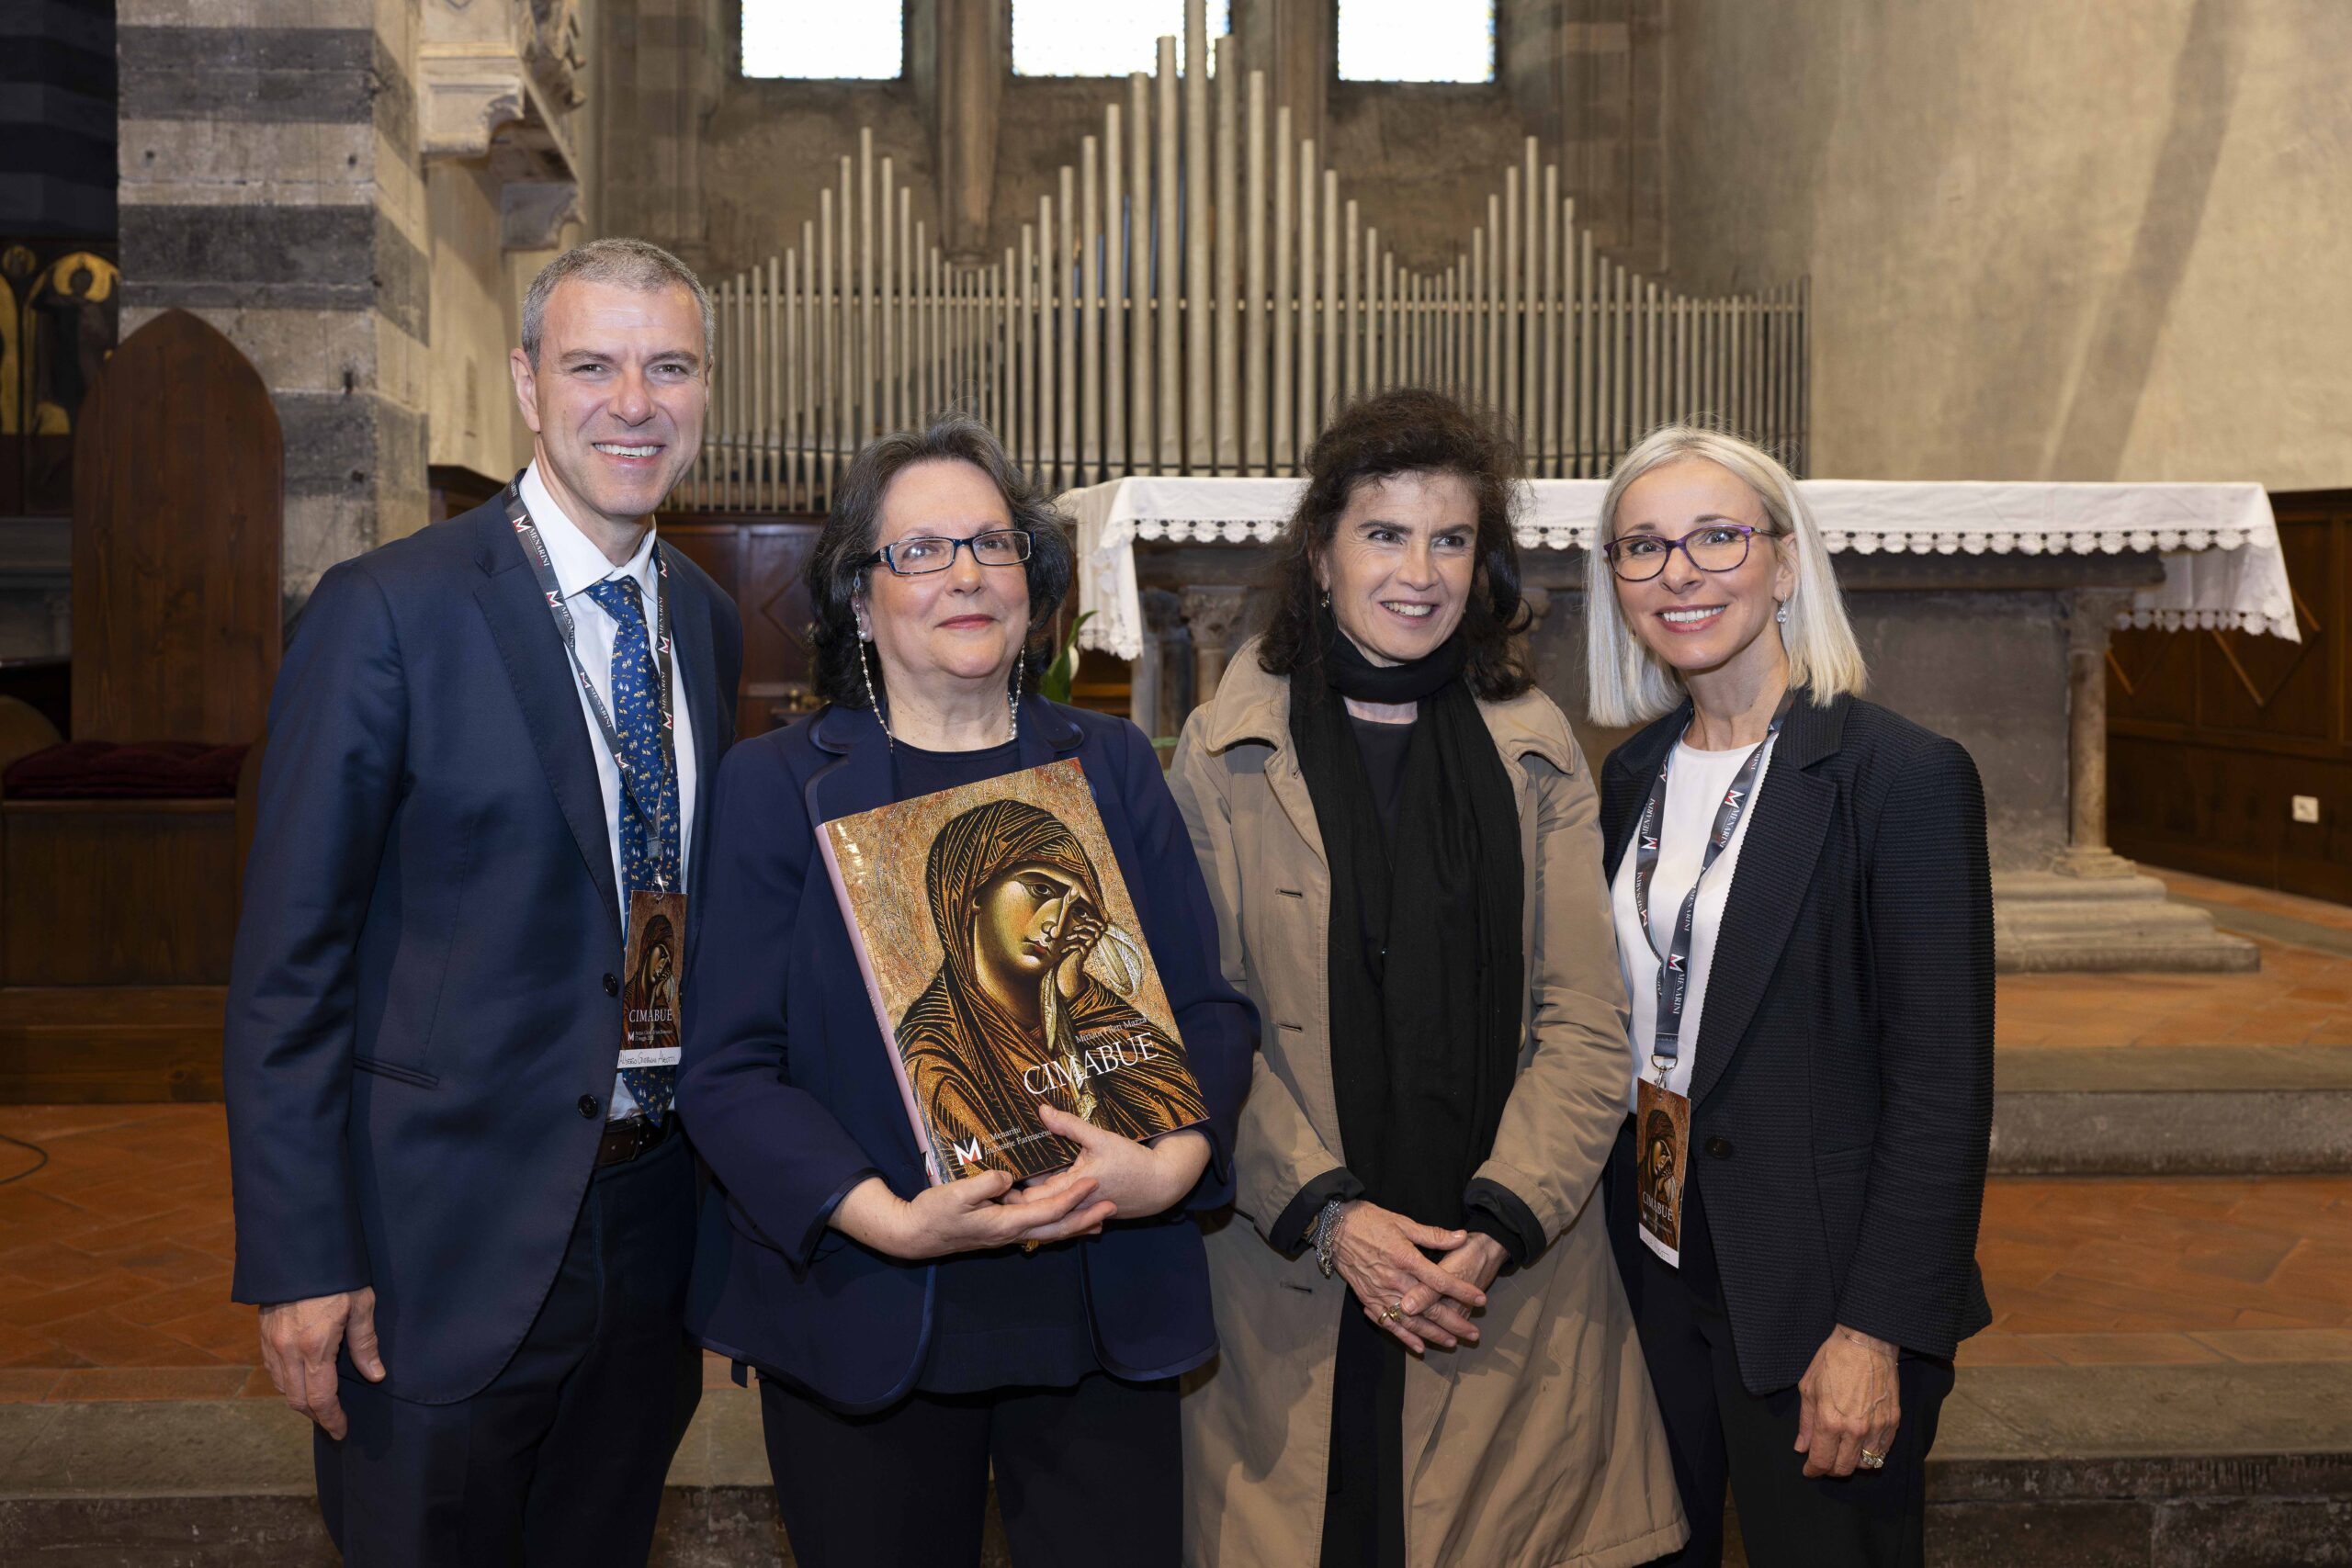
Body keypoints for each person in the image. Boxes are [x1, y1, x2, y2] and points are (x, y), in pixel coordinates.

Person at [223, 237, 743, 1565]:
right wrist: (299, 1255)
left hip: (650, 1224)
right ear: (526, 383)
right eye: (592, 364)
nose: (635, 400)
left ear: (703, 389)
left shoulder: (706, 614)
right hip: (438, 1243)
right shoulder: (386, 611)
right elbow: (292, 962)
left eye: (669, 365)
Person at [676, 414, 1254, 1568]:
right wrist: (884, 1218)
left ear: (1032, 580)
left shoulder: (1112, 765)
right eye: (921, 552)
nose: (966, 578)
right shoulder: (777, 784)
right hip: (866, 1305)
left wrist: (1171, 1166)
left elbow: (1207, 1009)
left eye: (992, 546)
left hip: (1100, 1292)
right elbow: (730, 1069)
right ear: (858, 592)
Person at [1172, 387, 1686, 1568]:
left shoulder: (1534, 741)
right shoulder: (1224, 748)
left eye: (1450, 538)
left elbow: (1584, 1018)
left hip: (1495, 1278)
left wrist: (1502, 1222)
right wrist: (1333, 1217)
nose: (1420, 571)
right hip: (1289, 1265)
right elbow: (1202, 1023)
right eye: (1384, 534)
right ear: (1319, 555)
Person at [1588, 424, 1994, 1567]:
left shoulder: (1898, 776)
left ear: (1782, 562)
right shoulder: (1631, 774)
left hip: (1822, 1286)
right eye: (1643, 547)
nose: (1680, 573)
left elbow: (1941, 1088)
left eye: (1716, 538)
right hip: (1656, 1257)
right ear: (1611, 581)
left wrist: (1875, 1332)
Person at [898, 797, 1208, 1159]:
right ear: (975, 889)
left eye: (1077, 910)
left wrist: (1076, 994)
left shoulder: (1073, 1005)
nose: (1057, 924)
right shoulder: (934, 1054)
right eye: (1041, 890)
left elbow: (1180, 1106)